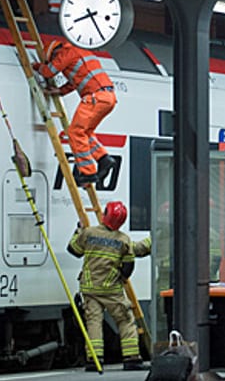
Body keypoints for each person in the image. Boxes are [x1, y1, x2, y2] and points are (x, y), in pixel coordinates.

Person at [67, 201, 147, 370]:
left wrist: (78, 231)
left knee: (94, 322)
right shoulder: (123, 240)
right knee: (125, 320)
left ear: (105, 215)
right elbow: (128, 266)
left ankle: (94, 360)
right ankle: (131, 357)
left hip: (89, 288)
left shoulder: (89, 233)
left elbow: (73, 250)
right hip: (111, 290)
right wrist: (121, 277)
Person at [33, 39, 117, 185]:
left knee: (75, 132)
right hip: (108, 98)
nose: (54, 61)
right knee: (85, 132)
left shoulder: (67, 53)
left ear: (55, 52)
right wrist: (60, 91)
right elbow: (76, 82)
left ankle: (87, 173)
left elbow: (48, 72)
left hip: (95, 97)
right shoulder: (82, 54)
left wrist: (35, 66)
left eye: (52, 59)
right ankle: (103, 158)